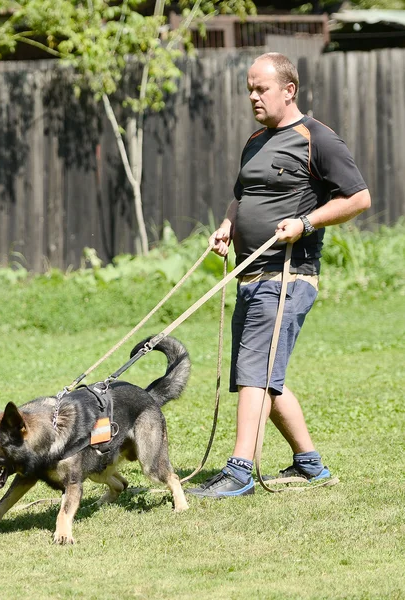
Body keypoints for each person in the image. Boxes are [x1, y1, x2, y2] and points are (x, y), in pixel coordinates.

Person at [187, 52, 371, 499]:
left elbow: (359, 198)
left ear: (288, 90)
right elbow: (242, 195)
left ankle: (239, 471)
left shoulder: (319, 139)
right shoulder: (256, 139)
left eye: (260, 88)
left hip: (288, 277)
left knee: (256, 375)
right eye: (249, 88)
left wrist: (306, 223)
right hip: (250, 276)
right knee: (266, 374)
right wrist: (228, 226)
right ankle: (310, 465)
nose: (252, 96)